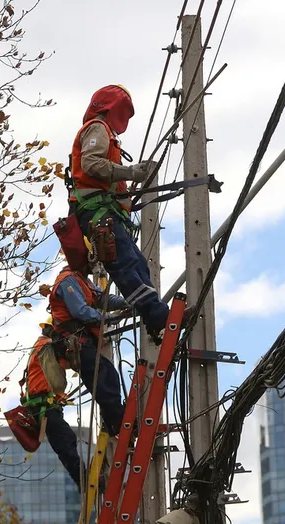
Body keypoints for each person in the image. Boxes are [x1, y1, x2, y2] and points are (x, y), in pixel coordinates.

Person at [67, 84, 194, 338]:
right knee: (125, 265)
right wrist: (132, 172)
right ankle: (157, 315)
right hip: (97, 211)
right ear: (110, 107)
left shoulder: (105, 132)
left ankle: (154, 316)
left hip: (105, 211)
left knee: (137, 264)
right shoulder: (97, 128)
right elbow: (91, 164)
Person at [46, 261, 132, 439]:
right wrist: (107, 318)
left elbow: (102, 299)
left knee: (108, 377)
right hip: (75, 342)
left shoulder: (82, 280)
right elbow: (81, 311)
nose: (94, 264)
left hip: (82, 342)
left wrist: (128, 302)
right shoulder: (67, 281)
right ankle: (117, 422)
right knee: (104, 380)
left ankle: (116, 422)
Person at [21, 318, 83, 491]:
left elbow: (63, 363)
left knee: (65, 440)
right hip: (43, 406)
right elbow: (67, 359)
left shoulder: (42, 348)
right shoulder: (46, 345)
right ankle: (82, 479)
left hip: (45, 405)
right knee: (65, 440)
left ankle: (82, 478)